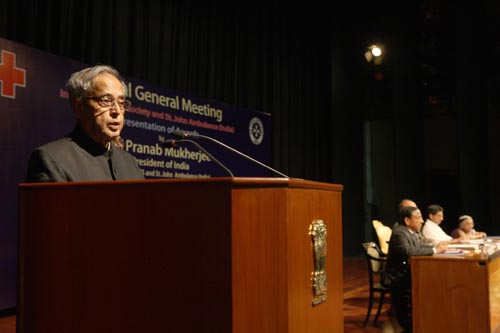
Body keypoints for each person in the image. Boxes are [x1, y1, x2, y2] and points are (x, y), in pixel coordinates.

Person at [26, 65, 144, 182]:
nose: (117, 111)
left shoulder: (130, 162)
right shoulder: (52, 159)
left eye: (121, 102)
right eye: (106, 100)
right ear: (79, 107)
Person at [383, 206, 447, 332]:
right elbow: (409, 251)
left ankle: (430, 321)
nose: (422, 221)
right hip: (398, 277)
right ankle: (415, 325)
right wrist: (434, 250)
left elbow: (423, 246)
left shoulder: (414, 232)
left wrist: (437, 246)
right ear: (407, 221)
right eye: (418, 218)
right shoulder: (399, 232)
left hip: (409, 273)